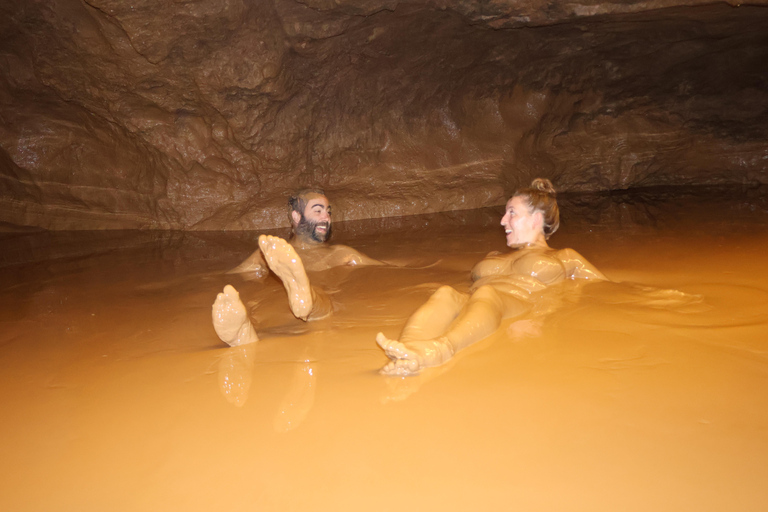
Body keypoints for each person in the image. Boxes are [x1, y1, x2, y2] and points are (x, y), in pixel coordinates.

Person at [376, 178, 607, 375]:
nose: (503, 220)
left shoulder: (565, 257)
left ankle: (441, 350)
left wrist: (547, 318)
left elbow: (609, 291)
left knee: (487, 293)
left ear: (536, 219)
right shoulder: (495, 256)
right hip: (478, 302)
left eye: (511, 213)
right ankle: (407, 351)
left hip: (521, 304)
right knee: (445, 293)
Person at [212, 188, 383, 346]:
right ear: (296, 217)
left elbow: (385, 268)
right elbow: (230, 276)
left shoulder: (342, 254)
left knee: (323, 299)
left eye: (328, 212)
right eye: (318, 211)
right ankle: (245, 333)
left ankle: (306, 296)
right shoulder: (271, 254)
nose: (326, 217)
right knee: (261, 312)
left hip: (319, 311)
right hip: (280, 317)